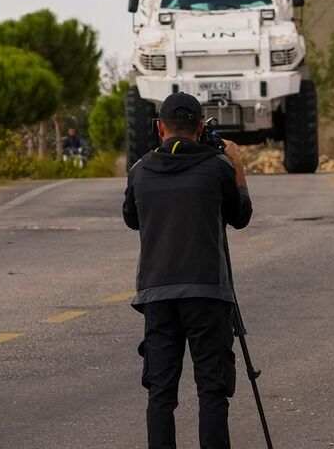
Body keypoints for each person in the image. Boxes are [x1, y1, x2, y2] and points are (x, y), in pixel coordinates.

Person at [122, 92, 253, 449]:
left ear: (159, 128)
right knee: (212, 391)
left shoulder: (140, 170)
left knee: (160, 394)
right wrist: (235, 162)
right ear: (199, 128)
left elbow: (131, 219)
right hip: (208, 293)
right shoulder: (218, 167)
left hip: (157, 295)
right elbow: (240, 216)